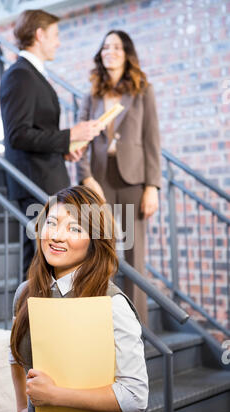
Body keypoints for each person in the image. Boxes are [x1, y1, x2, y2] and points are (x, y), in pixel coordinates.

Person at [8, 185, 148, 412]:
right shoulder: (25, 294)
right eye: (52, 223)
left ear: (95, 241)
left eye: (75, 228)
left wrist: (54, 395)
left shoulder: (112, 303)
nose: (57, 236)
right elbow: (15, 357)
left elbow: (135, 396)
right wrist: (22, 409)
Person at [0, 10, 102, 279]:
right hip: (35, 183)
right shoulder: (19, 75)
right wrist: (69, 135)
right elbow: (18, 134)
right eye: (55, 35)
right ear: (39, 34)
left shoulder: (32, 74)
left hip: (46, 179)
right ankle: (30, 320)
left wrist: (64, 148)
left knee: (47, 262)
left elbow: (37, 131)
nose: (58, 42)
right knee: (38, 262)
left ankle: (44, 319)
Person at [76, 30, 162, 326]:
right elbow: (81, 143)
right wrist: (86, 178)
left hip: (133, 181)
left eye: (116, 47)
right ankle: (102, 325)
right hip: (99, 180)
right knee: (99, 253)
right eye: (105, 47)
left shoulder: (142, 91)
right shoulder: (91, 95)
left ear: (127, 54)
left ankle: (137, 330)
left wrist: (152, 186)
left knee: (134, 257)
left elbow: (152, 140)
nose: (109, 51)